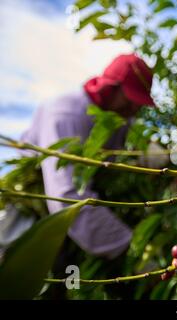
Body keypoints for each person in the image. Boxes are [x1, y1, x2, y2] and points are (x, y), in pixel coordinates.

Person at [15, 53, 156, 259]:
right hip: (29, 216)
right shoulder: (65, 116)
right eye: (131, 99)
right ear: (111, 87)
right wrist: (128, 248)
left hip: (77, 222)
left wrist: (147, 152)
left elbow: (120, 152)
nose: (135, 110)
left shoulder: (115, 115)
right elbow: (67, 198)